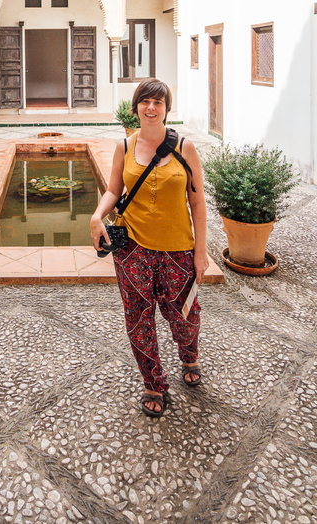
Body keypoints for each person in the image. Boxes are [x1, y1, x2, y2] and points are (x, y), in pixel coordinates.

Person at [90, 77, 209, 419]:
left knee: (185, 316)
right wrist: (98, 215)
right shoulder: (124, 148)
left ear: (167, 109)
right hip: (133, 251)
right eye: (145, 101)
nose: (151, 108)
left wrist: (200, 252)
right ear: (136, 107)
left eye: (158, 102)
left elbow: (197, 204)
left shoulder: (185, 149)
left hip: (178, 251)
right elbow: (114, 191)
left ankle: (189, 354)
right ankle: (153, 382)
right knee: (138, 319)